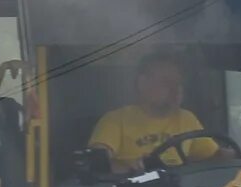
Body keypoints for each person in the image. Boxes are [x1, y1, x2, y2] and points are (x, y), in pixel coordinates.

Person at [89, 48, 220, 173]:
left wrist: (236, 157)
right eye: (167, 82)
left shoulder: (187, 118)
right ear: (142, 83)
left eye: (178, 83)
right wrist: (130, 167)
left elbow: (214, 156)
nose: (176, 89)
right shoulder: (115, 120)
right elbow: (96, 165)